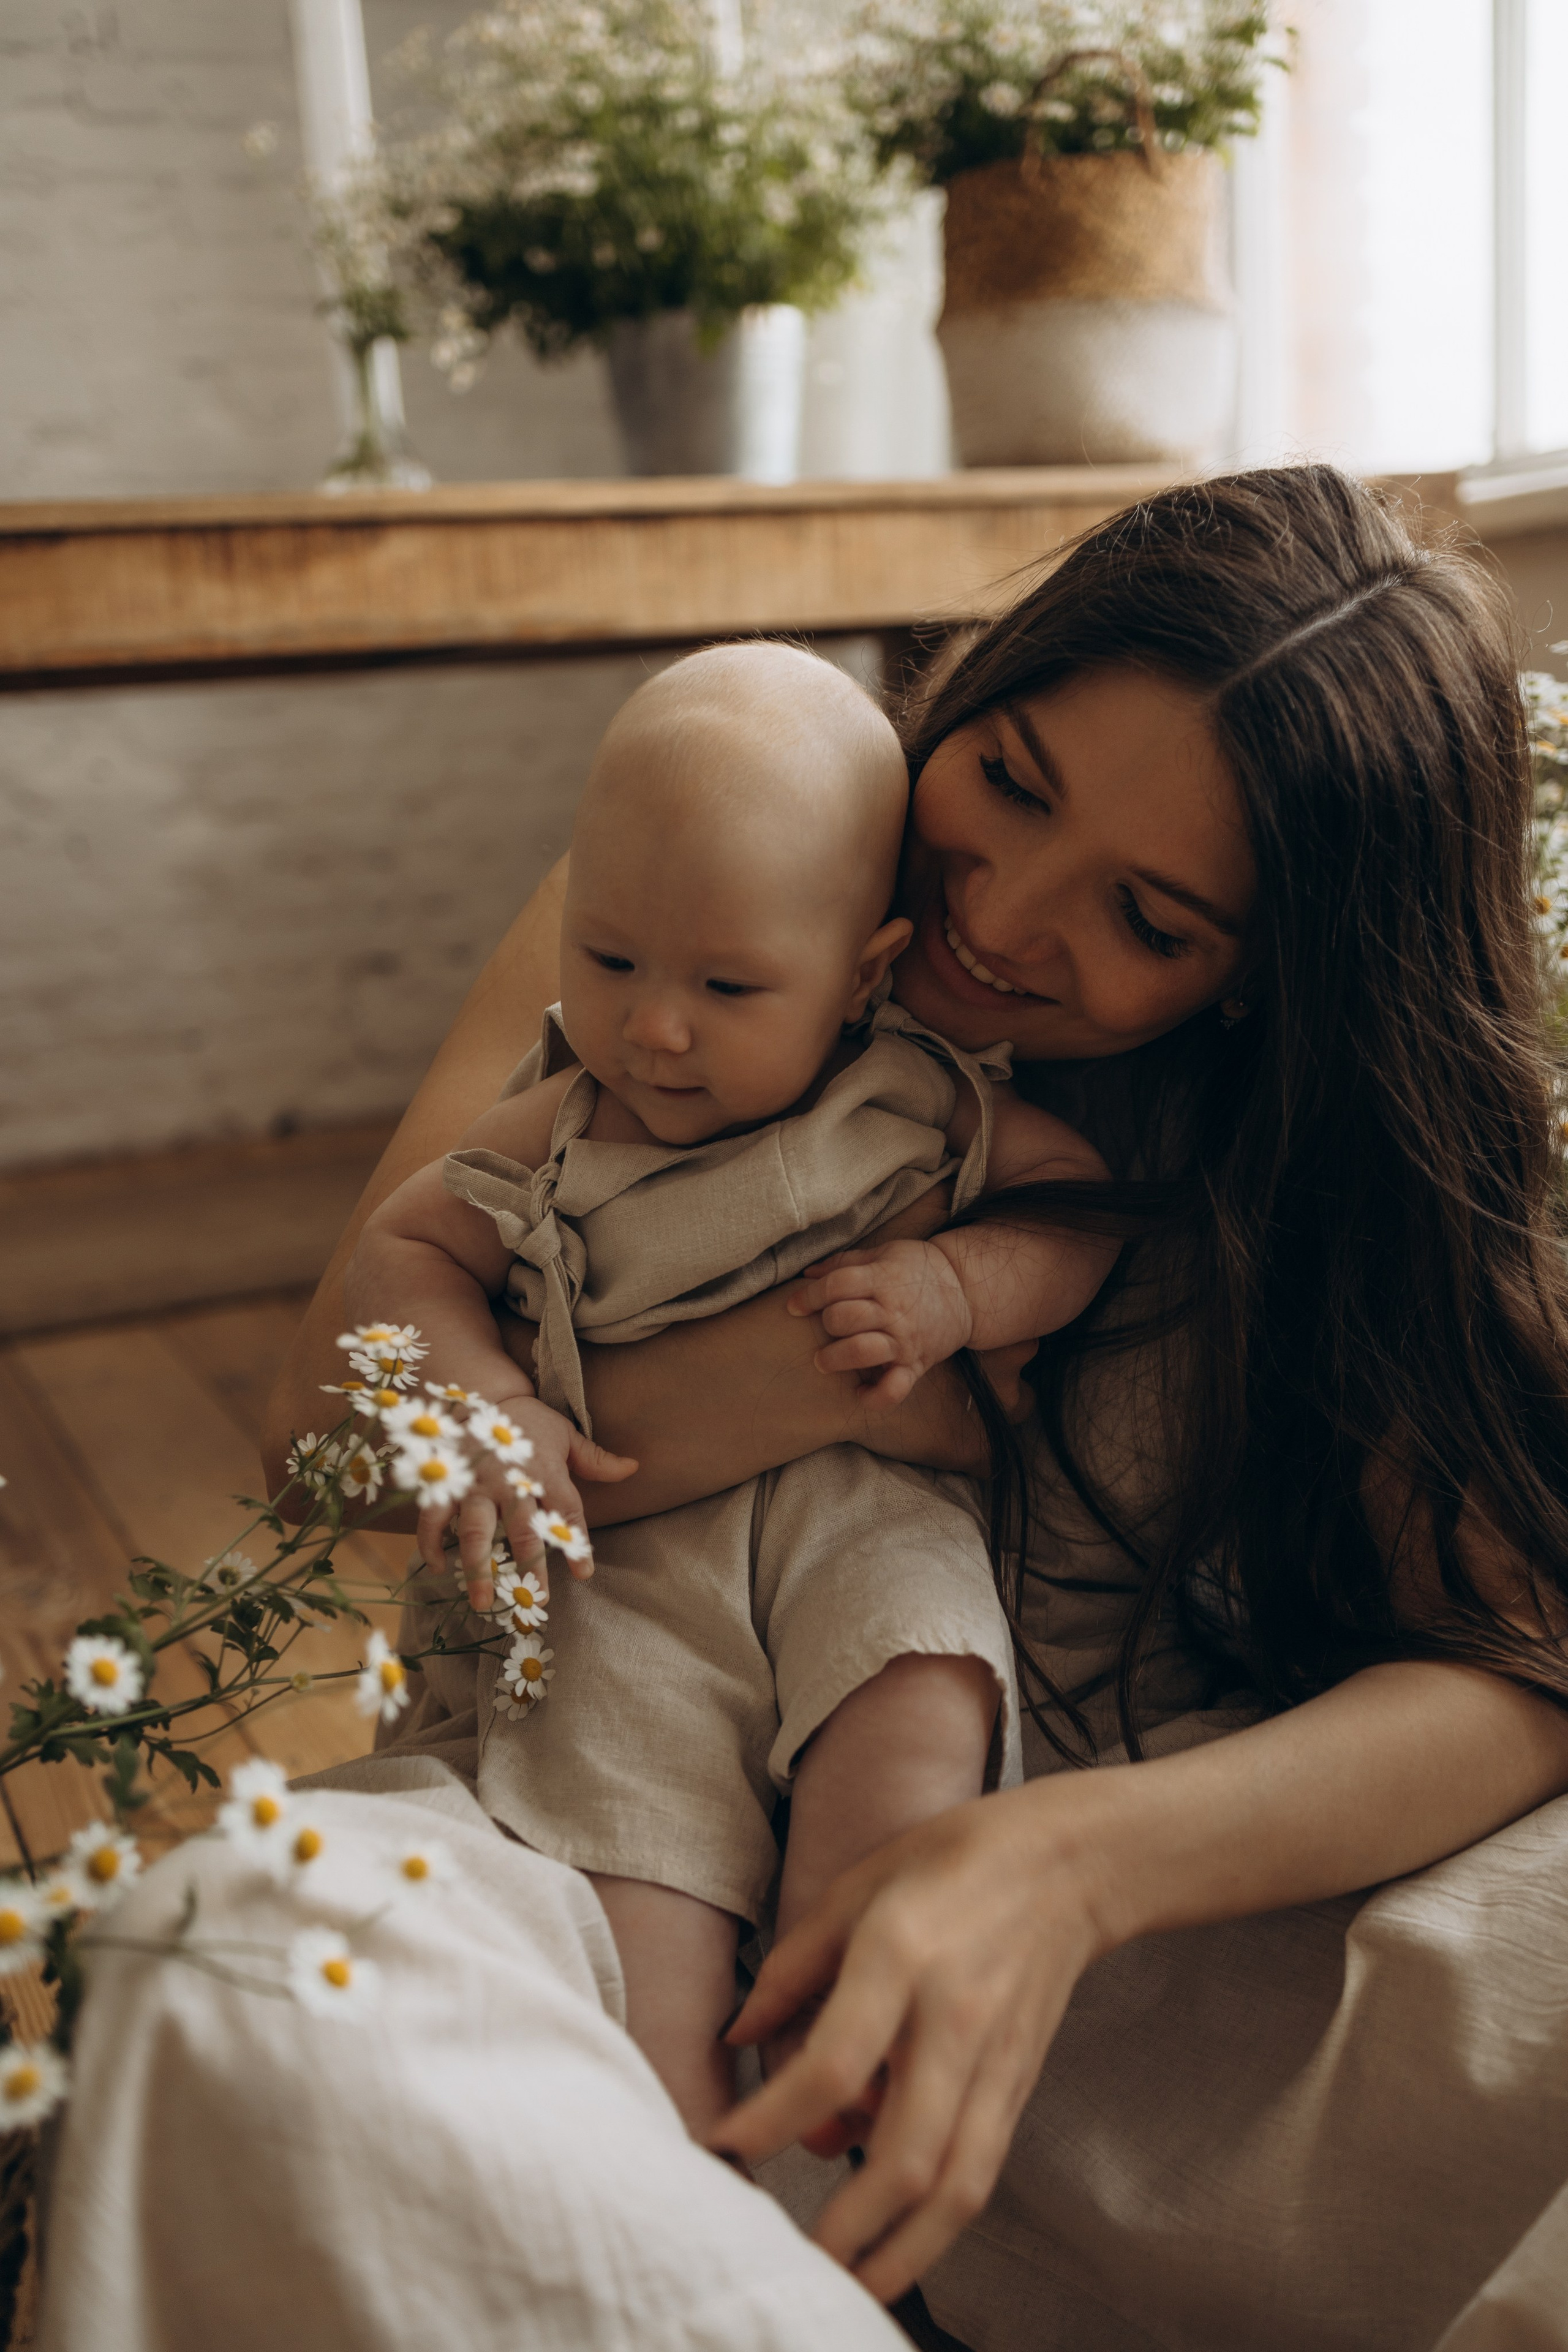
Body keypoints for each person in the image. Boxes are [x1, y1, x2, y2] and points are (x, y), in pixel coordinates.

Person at [39, 465, 1568, 2352]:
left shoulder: (1304, 1160)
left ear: (1273, 984)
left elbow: (1518, 1664)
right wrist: (808, 1379)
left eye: (1149, 918)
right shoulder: (713, 863)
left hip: (1128, 1932)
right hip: (620, 1797)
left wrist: (1063, 1866)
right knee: (222, 1967)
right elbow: (341, 1444)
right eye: (1008, 779)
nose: (995, 916)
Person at [341, 641, 1114, 2127]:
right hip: (637, 1558)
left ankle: (839, 1990)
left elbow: (1078, 1210)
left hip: (866, 1508)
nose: (655, 1027)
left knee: (918, 1694)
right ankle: (687, 2126)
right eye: (611, 958)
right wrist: (488, 1402)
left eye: (727, 982)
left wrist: (960, 1287)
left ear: (861, 978)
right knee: (642, 1860)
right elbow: (405, 1246)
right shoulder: (562, 1123)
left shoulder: (916, 1098)